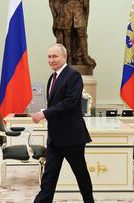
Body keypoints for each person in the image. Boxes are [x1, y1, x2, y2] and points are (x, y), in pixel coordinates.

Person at [32, 43, 94, 203]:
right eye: (49, 56)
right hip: (54, 139)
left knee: (81, 176)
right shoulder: (52, 77)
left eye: (55, 56)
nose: (51, 60)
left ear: (64, 57)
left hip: (72, 138)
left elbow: (71, 102)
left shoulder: (73, 75)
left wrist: (44, 113)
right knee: (48, 178)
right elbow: (55, 105)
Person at [49, 0, 95, 67]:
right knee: (67, 33)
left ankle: (84, 57)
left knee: (82, 32)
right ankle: (69, 58)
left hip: (78, 8)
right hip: (66, 9)